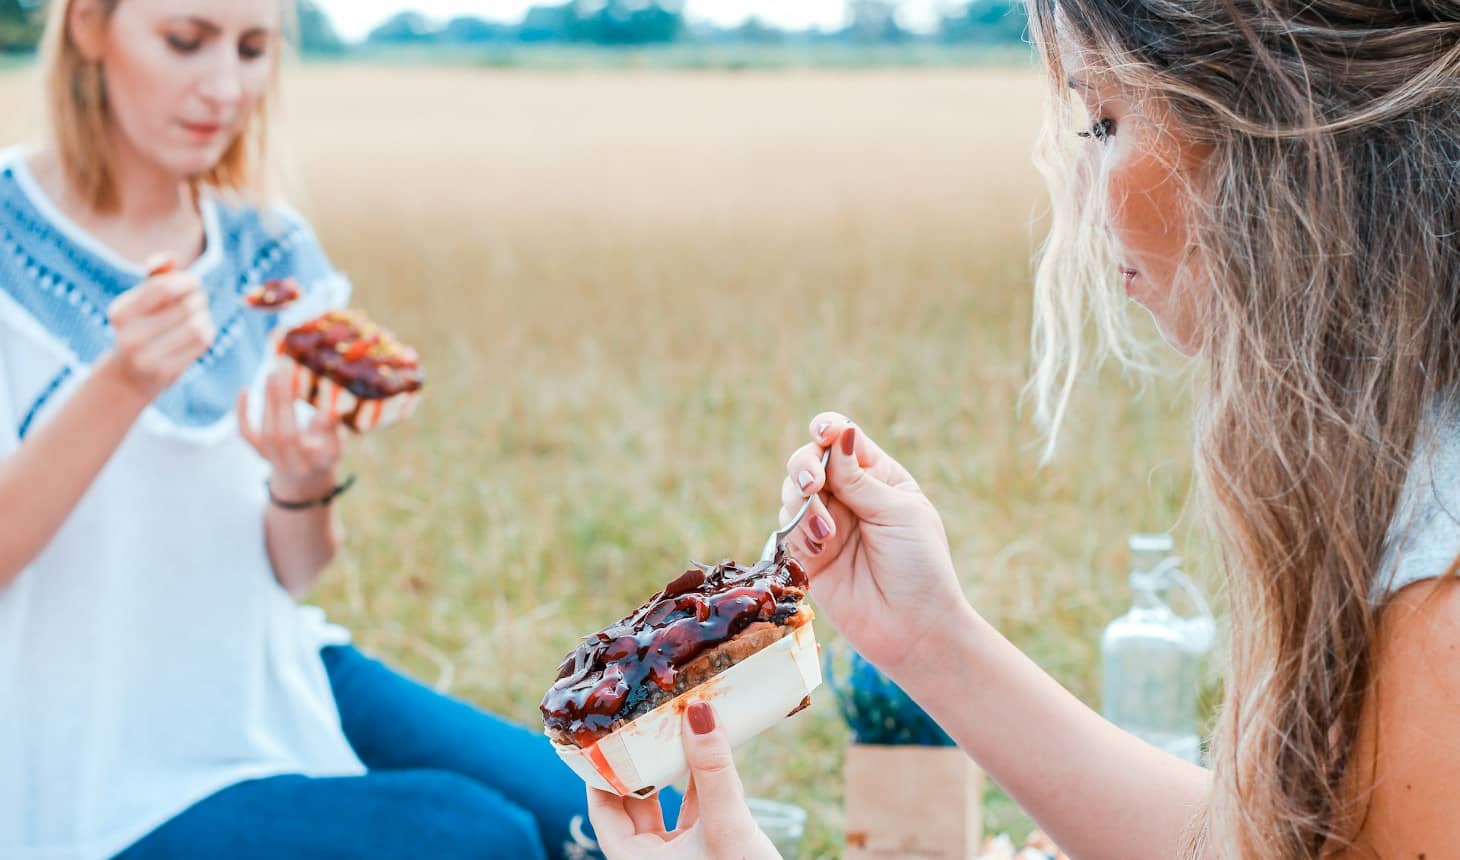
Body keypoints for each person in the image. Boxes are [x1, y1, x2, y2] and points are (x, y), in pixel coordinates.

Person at [589, 2, 1460, 857]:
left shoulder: (1439, 615)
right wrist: (929, 639)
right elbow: (1251, 846)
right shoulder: (1416, 478)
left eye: (1106, 121)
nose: (1080, 195)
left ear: (1281, 130)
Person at [0, 1, 675, 857]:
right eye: (185, 40)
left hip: (272, 668)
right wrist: (122, 382)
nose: (225, 88)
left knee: (651, 812)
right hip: (85, 744)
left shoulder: (271, 255)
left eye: (253, 49)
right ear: (91, 27)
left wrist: (304, 481)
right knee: (476, 840)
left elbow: (295, 569)